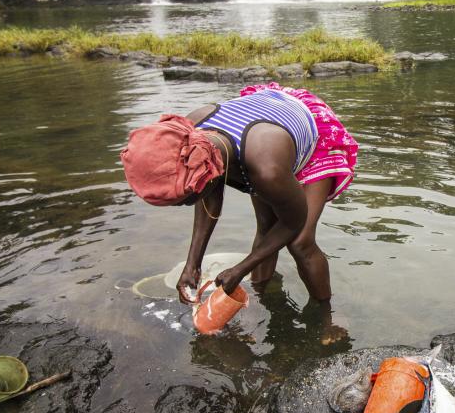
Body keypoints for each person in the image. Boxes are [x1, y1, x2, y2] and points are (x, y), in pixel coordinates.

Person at [121, 82, 357, 309]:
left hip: (312, 130)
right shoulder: (192, 134)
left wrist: (241, 268)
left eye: (184, 200)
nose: (183, 206)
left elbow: (293, 222)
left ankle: (325, 318)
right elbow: (209, 194)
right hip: (264, 120)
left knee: (300, 242)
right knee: (266, 229)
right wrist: (193, 264)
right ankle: (260, 298)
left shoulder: (267, 169)